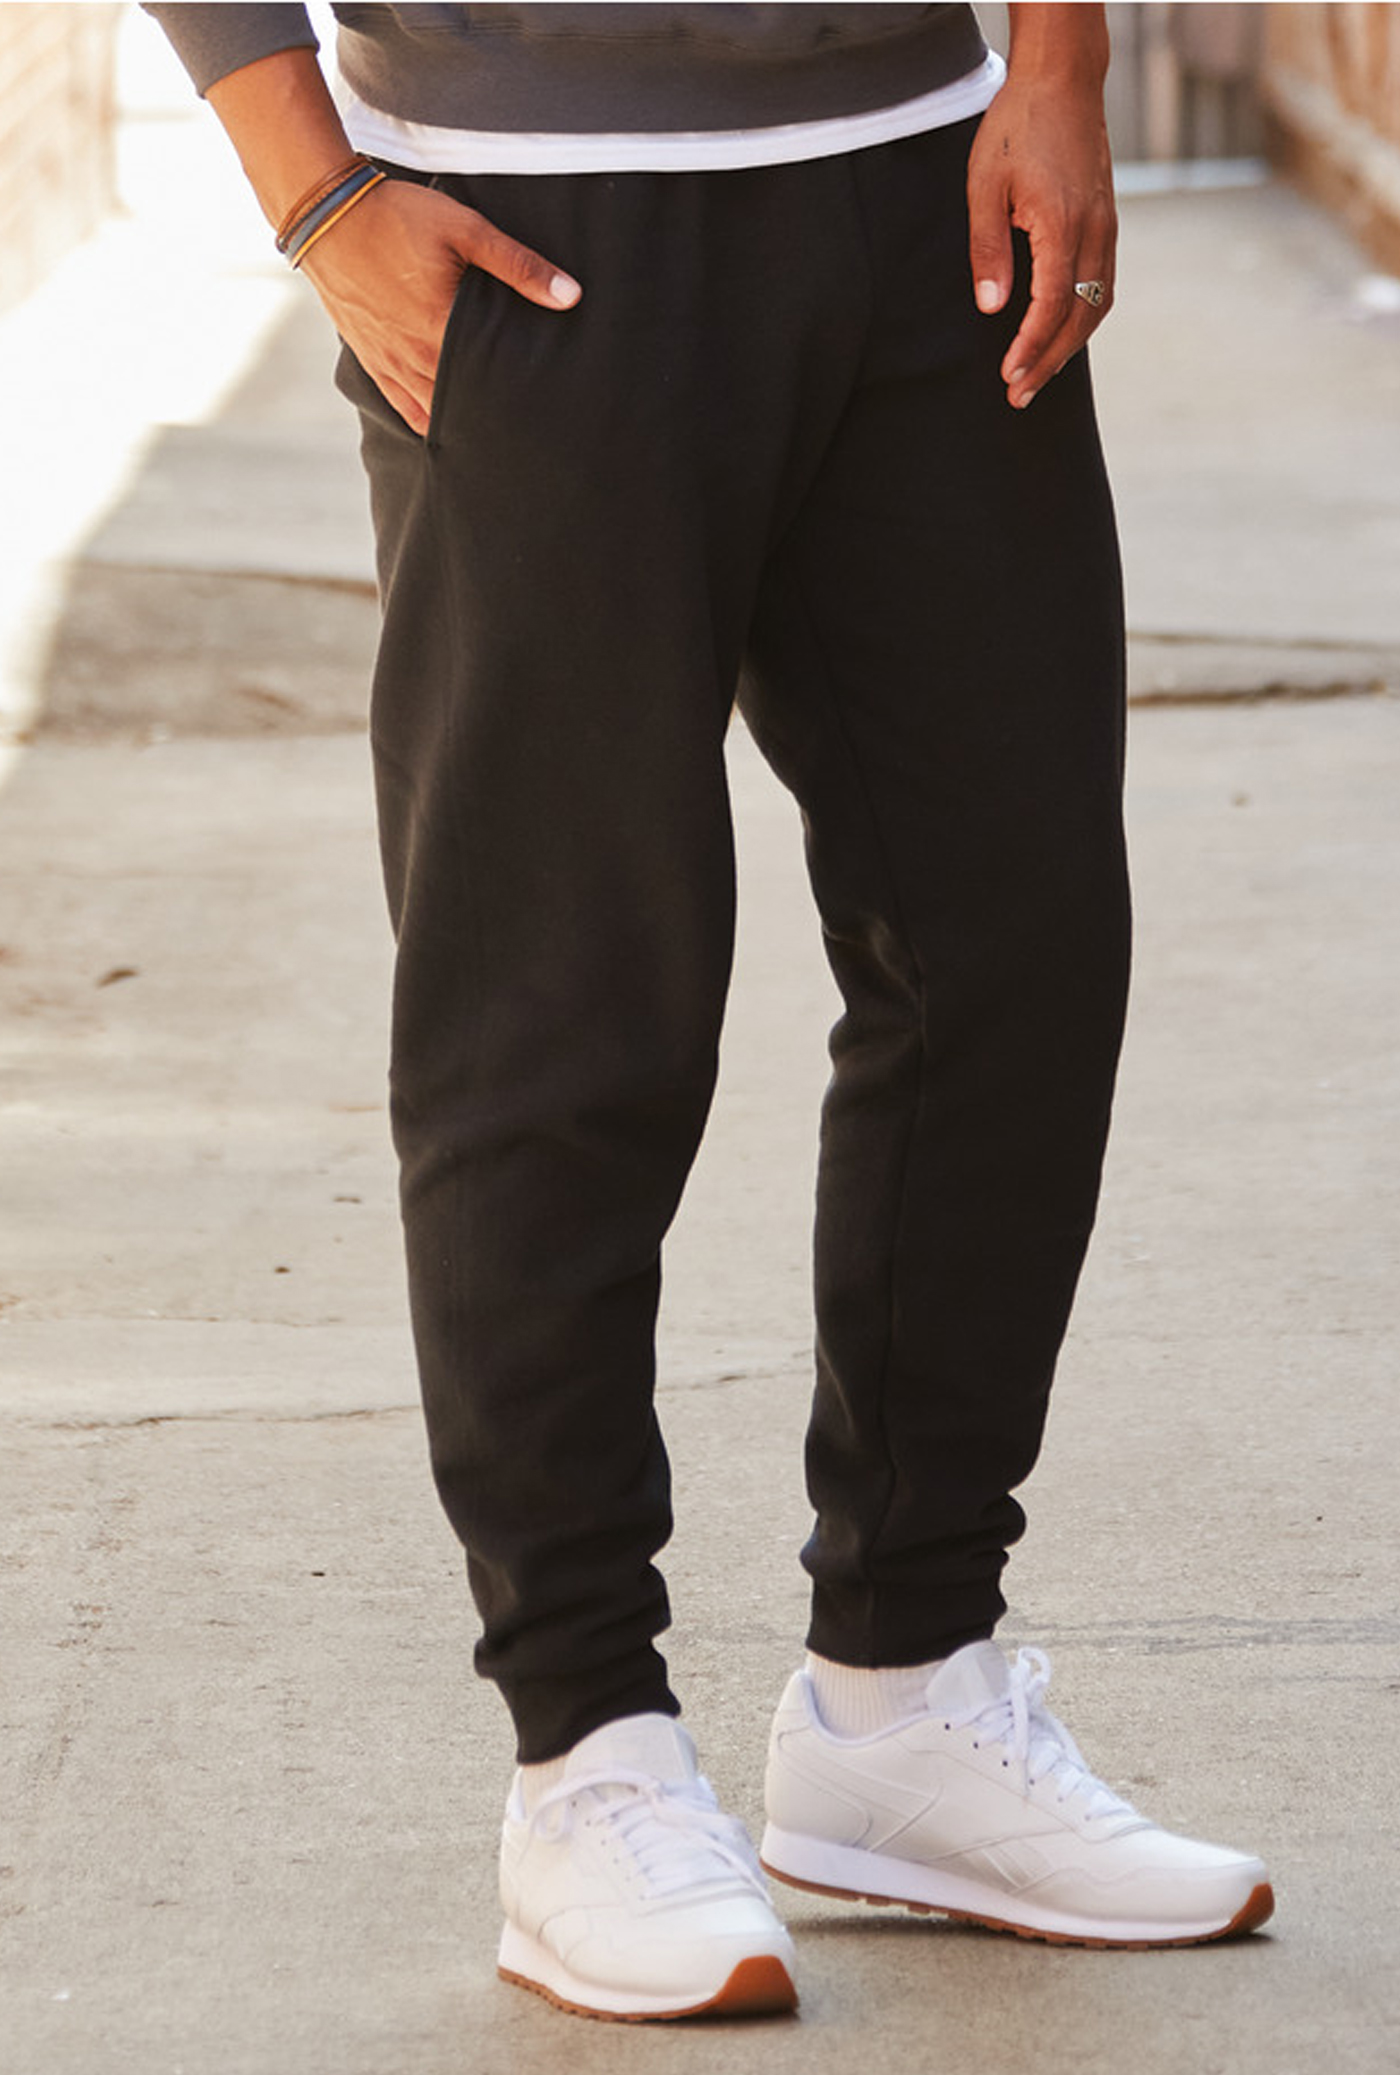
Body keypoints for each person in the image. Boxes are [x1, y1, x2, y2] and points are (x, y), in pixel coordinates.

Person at [147, 1, 1274, 2023]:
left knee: (1012, 947)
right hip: (530, 219)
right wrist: (308, 183)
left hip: (927, 176)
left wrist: (1056, 62)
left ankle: (907, 1698)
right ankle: (584, 1752)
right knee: (564, 999)